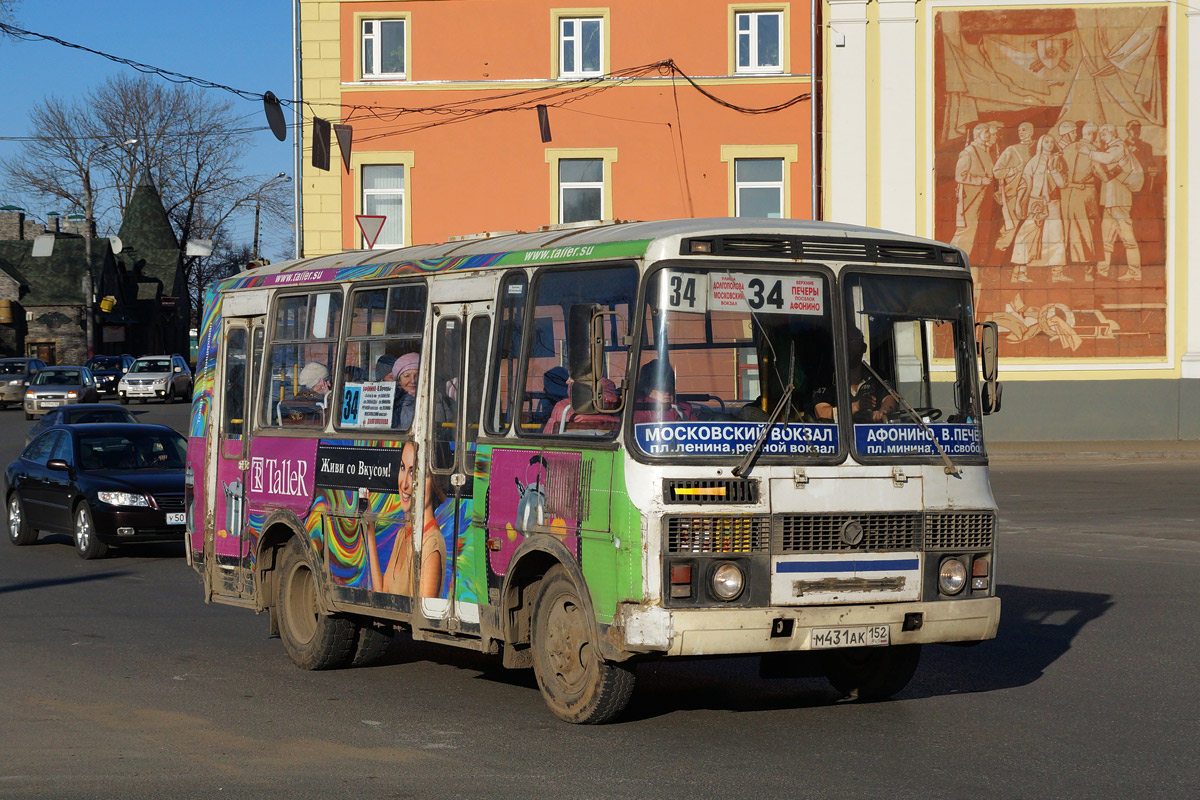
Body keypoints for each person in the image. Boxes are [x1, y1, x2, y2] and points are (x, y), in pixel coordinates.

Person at [364, 441, 447, 598]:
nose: (405, 484)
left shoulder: (431, 545)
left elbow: (422, 616)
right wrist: (370, 528)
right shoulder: (403, 534)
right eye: (403, 468)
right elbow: (382, 593)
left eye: (416, 474)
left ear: (434, 482)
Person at [1010, 134, 1069, 283]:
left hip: (1054, 203)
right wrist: (1018, 203)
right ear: (1041, 144)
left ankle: (1057, 273)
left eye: (1052, 142)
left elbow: (1062, 184)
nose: (1049, 144)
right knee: (1025, 235)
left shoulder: (1058, 160)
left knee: (1056, 236)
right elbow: (1024, 183)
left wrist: (1053, 169)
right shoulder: (1033, 162)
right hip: (1036, 204)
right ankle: (1020, 273)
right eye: (1046, 142)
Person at [1089, 123, 1143, 282]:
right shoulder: (1111, 148)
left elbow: (1108, 159)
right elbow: (1107, 177)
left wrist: (1089, 153)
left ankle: (1135, 272)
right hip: (1110, 201)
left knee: (1128, 238)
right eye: (1101, 134)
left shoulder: (1119, 146)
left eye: (1103, 133)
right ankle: (1102, 271)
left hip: (1120, 200)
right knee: (1106, 239)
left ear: (1111, 133)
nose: (1101, 136)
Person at [813, 335, 897, 423]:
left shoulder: (877, 375)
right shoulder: (827, 379)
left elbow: (890, 399)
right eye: (846, 343)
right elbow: (821, 412)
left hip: (873, 434)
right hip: (838, 435)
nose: (849, 348)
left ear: (864, 348)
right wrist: (856, 406)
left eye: (854, 342)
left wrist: (882, 412)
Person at [542, 377, 620, 434]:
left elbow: (548, 437)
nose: (567, 381)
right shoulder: (622, 408)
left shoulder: (564, 408)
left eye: (571, 377)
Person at [632, 359, 695, 423]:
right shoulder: (638, 409)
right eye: (661, 388)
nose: (667, 392)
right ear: (647, 389)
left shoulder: (685, 408)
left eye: (669, 388)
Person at [388, 351, 419, 429]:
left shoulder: (438, 399)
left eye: (417, 375)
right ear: (399, 380)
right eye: (407, 376)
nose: (413, 381)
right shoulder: (393, 402)